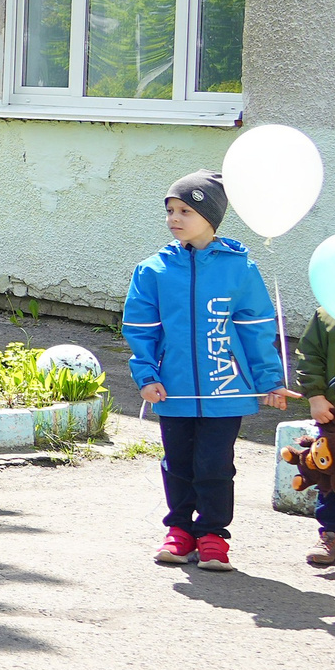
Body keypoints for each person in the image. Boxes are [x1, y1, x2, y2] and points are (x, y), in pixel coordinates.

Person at [121, 169, 290, 573]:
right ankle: (179, 531)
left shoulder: (240, 268)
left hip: (225, 390)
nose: (175, 218)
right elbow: (141, 329)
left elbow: (256, 327)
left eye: (185, 210)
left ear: (211, 218)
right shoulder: (153, 270)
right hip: (173, 389)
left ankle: (213, 535)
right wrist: (147, 375)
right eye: (170, 210)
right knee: (177, 462)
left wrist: (270, 381)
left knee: (215, 465)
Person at [294, 303, 335, 568]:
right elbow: (310, 354)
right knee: (332, 474)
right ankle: (332, 534)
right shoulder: (329, 311)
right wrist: (316, 395)